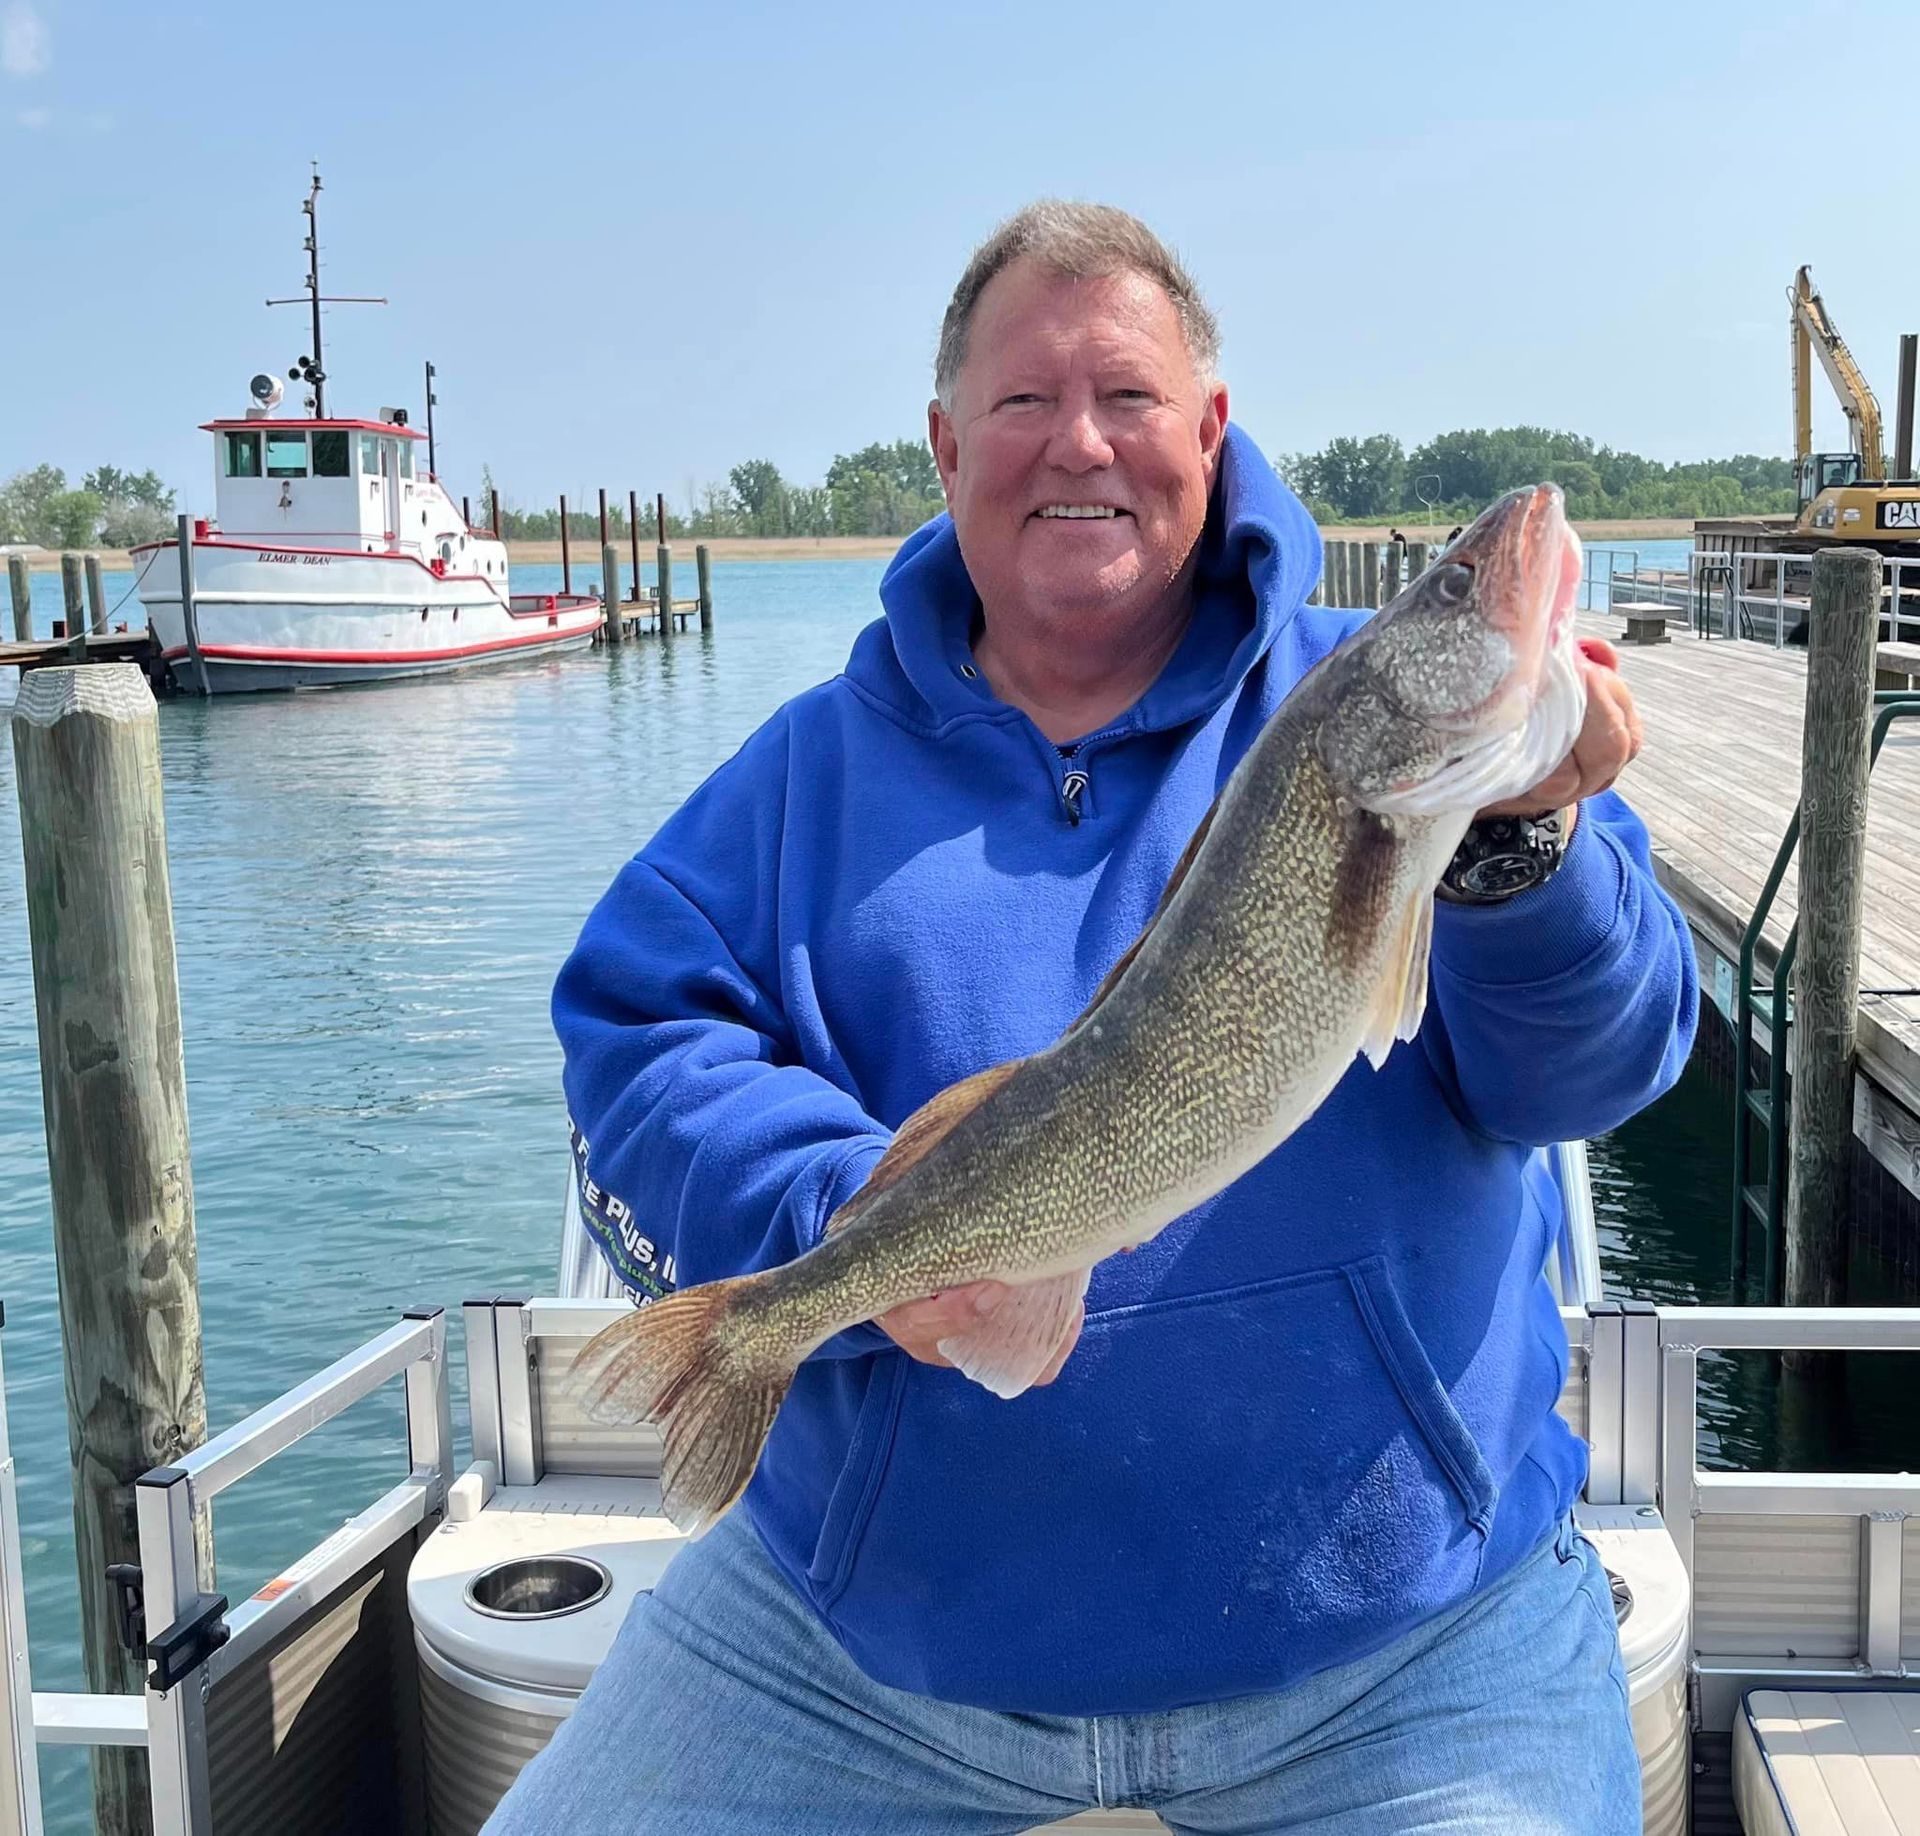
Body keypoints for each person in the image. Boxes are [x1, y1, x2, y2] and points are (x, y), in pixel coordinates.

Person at [493, 201, 1695, 1835]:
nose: (1080, 443)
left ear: (1210, 429)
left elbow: (1605, 1066)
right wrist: (848, 1226)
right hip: (866, 1658)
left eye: (1129, 399)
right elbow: (633, 1032)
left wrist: (1519, 856)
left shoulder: (1378, 729)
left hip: (1415, 1652)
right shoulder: (794, 780)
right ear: (942, 448)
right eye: (1021, 403)